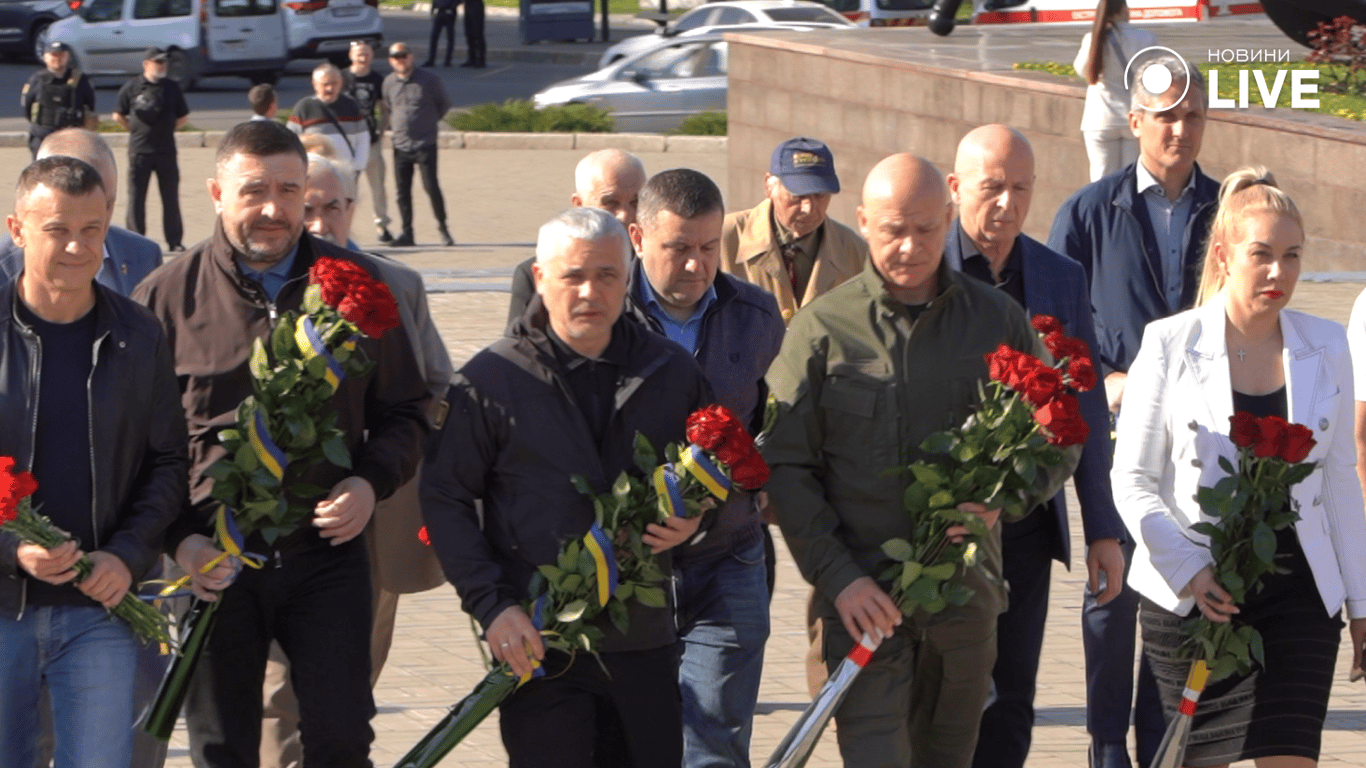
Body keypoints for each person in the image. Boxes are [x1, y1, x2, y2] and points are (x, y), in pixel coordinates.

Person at [132, 120, 429, 768]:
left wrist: (368, 482)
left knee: (343, 737)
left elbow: (409, 410)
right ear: (216, 192)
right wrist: (179, 539)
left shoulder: (356, 287)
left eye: (289, 190)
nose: (273, 209)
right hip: (211, 560)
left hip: (326, 553)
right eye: (254, 190)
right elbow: (135, 444)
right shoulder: (163, 298)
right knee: (221, 746)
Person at [763, 153, 1075, 768]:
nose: (909, 247)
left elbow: (1059, 433)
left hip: (963, 606)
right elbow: (784, 466)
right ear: (863, 223)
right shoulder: (823, 331)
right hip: (861, 606)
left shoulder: (996, 320)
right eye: (892, 230)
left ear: (949, 216)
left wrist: (1002, 498)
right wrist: (839, 579)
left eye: (926, 230)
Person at [422, 206, 706, 768]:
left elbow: (715, 475)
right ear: (539, 277)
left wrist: (700, 520)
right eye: (572, 275)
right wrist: (493, 607)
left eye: (606, 275)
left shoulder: (671, 371)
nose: (589, 292)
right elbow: (446, 499)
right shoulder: (488, 382)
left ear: (628, 278)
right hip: (538, 640)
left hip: (642, 640)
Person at [1113, 167, 1366, 767]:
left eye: (1292, 256)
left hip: (1300, 595)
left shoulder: (1327, 345)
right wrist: (1191, 569)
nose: (1279, 273)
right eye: (1262, 255)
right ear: (1225, 256)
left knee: (1292, 756)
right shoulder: (1169, 344)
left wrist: (1361, 603)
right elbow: (1132, 479)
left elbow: (1337, 485)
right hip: (1198, 598)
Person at [1048, 53, 1217, 768]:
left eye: (1191, 116)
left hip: (1204, 440)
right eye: (1166, 116)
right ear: (1134, 121)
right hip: (1116, 435)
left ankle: (1166, 743)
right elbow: (1051, 331)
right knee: (1113, 590)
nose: (1179, 129)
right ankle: (1106, 744)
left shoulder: (1228, 208)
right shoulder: (1088, 213)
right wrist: (1104, 380)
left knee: (1180, 589)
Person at [941, 124, 1126, 768]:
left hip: (1023, 524)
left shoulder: (1058, 276)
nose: (1007, 204)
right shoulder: (921, 267)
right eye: (992, 187)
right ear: (955, 187)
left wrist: (1103, 529)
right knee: (944, 692)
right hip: (939, 522)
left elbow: (1085, 405)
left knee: (1013, 694)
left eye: (1021, 189)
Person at [258, 153, 451, 768]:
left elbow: (435, 393)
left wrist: (378, 460)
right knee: (280, 690)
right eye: (305, 207)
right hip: (277, 525)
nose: (318, 220)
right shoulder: (265, 285)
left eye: (331, 207)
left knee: (352, 686)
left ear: (353, 208)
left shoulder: (397, 285)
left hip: (370, 518)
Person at [0, 155, 188, 768]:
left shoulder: (139, 334)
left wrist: (127, 556)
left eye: (94, 227)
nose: (79, 247)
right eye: (57, 229)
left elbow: (166, 464)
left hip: (99, 611)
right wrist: (12, 549)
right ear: (17, 228)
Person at [624, 169, 784, 767]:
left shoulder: (757, 315)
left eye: (709, 248)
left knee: (712, 741)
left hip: (729, 560)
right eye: (678, 249)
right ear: (638, 238)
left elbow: (776, 421)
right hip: (623, 568)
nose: (696, 265)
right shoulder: (603, 316)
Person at [720, 136, 865, 325]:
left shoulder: (855, 251)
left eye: (820, 195)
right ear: (769, 186)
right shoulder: (722, 238)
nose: (809, 208)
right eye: (798, 195)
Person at [0, 128, 162, 296]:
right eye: (59, 227)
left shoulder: (144, 255)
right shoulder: (4, 267)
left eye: (107, 204)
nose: (99, 218)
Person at [506, 148, 647, 325]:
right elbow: (520, 346)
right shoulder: (541, 273)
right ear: (578, 204)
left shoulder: (660, 268)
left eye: (636, 202)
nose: (625, 215)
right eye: (611, 203)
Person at [113, 47, 190, 252]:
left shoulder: (171, 88)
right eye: (157, 62)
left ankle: (175, 241)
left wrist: (164, 129)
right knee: (136, 198)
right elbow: (118, 114)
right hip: (140, 151)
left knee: (170, 198)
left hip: (166, 151)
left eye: (164, 62)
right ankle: (136, 240)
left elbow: (183, 117)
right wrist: (134, 129)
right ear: (146, 64)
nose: (162, 66)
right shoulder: (132, 87)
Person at [1074, 0, 1157, 182]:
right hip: (1134, 117)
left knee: (1100, 181)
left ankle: (1101, 211)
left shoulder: (1094, 37)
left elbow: (1081, 70)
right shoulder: (1146, 38)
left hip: (1100, 119)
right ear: (1124, 10)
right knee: (1131, 180)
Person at [383, 42, 453, 248]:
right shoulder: (388, 83)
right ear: (390, 61)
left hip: (425, 144)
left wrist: (428, 123)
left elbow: (444, 105)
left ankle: (443, 228)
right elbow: (388, 107)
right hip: (400, 145)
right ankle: (407, 233)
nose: (400, 60)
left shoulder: (429, 80)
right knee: (402, 192)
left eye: (404, 55)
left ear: (411, 57)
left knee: (431, 187)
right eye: (396, 57)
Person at [343, 40, 393, 244]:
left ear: (372, 56)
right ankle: (343, 229)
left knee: (377, 186)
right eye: (359, 54)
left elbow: (384, 108)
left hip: (371, 141)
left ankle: (382, 226)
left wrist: (381, 129)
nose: (362, 58)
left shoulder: (376, 79)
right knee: (346, 189)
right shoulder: (342, 77)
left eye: (366, 54)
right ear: (351, 55)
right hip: (347, 143)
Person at [288, 63, 370, 178]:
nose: (330, 88)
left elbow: (363, 139)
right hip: (314, 174)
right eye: (325, 84)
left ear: (341, 82)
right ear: (315, 84)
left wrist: (357, 167)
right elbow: (291, 141)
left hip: (346, 173)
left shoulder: (351, 105)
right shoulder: (303, 108)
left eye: (334, 83)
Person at [21, 41, 95, 158]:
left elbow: (90, 106)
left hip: (71, 139)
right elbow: (27, 107)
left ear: (68, 57)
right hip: (43, 137)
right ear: (45, 57)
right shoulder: (37, 80)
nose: (57, 58)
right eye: (53, 55)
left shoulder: (81, 80)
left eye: (61, 54)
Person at [423, 0, 458, 67]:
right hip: (441, 12)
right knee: (434, 37)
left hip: (450, 13)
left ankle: (447, 61)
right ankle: (431, 60)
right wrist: (433, 11)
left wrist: (451, 7)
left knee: (450, 38)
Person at [461, 0, 487, 69]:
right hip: (468, 5)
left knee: (477, 34)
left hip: (476, 5)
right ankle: (472, 58)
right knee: (469, 34)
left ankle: (481, 60)